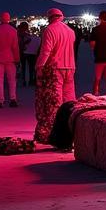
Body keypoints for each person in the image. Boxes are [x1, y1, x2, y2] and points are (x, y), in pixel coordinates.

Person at [34, 8, 76, 143]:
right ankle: (71, 128)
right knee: (69, 99)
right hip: (70, 67)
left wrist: (39, 66)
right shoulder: (70, 31)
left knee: (55, 101)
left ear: (50, 17)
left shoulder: (50, 30)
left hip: (55, 68)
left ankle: (54, 132)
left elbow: (46, 50)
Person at [0, 12, 21, 108]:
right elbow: (15, 47)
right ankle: (13, 99)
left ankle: (0, 100)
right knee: (12, 80)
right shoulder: (13, 31)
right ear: (9, 19)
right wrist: (17, 59)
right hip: (11, 59)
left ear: (0, 19)